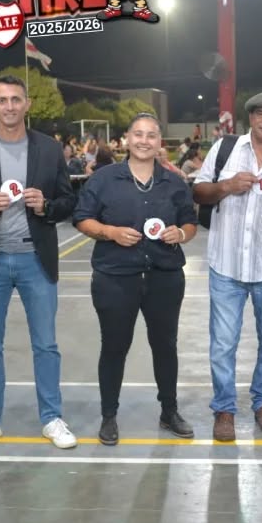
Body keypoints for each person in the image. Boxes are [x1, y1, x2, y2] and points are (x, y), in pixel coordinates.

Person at [0, 75, 79, 454]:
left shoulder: (49, 149)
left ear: (27, 104)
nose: (9, 106)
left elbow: (68, 201)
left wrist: (46, 206)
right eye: (2, 100)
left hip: (36, 260)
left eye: (16, 99)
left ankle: (51, 418)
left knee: (46, 345)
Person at [73, 113, 198, 446]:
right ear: (127, 139)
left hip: (164, 277)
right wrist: (109, 232)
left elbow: (190, 223)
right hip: (115, 278)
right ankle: (109, 415)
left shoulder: (174, 182)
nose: (144, 141)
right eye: (138, 134)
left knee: (165, 346)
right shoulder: (103, 179)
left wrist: (180, 234)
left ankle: (169, 411)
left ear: (159, 142)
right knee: (114, 346)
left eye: (151, 135)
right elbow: (82, 218)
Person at [192, 91, 262, 441]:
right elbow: (198, 192)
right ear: (251, 118)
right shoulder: (225, 149)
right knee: (223, 344)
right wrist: (225, 186)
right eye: (261, 114)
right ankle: (224, 409)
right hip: (226, 265)